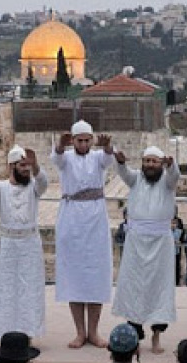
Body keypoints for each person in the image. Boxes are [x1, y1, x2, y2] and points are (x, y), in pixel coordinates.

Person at [51, 120, 114, 348]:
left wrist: (107, 148)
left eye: (88, 140)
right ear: (74, 141)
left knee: (95, 277)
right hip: (72, 220)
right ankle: (79, 332)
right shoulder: (66, 157)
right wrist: (60, 144)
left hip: (96, 219)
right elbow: (56, 159)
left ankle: (94, 332)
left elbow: (109, 160)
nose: (84, 144)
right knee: (75, 278)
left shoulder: (98, 157)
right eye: (80, 140)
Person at [112, 146, 179, 353]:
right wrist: (121, 162)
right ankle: (134, 336)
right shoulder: (136, 179)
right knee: (134, 288)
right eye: (147, 161)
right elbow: (123, 172)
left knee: (160, 289)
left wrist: (171, 166)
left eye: (154, 161)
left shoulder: (168, 183)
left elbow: (174, 176)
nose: (150, 165)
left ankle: (156, 336)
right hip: (136, 242)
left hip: (161, 244)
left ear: (161, 164)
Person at [0, 145, 48, 340]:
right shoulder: (1, 188)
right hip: (8, 246)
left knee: (30, 290)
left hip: (30, 245)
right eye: (22, 165)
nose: (26, 169)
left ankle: (28, 334)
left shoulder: (34, 187)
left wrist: (36, 166)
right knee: (6, 290)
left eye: (28, 166)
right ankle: (5, 334)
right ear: (12, 166)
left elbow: (43, 182)